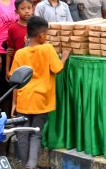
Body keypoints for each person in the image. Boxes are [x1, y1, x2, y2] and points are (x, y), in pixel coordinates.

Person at [11, 16, 70, 169]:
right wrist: (63, 57)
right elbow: (57, 69)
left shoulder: (19, 53)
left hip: (24, 99)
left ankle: (25, 165)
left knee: (22, 134)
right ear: (42, 35)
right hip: (41, 99)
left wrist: (14, 103)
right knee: (36, 133)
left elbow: (15, 81)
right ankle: (32, 165)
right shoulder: (48, 48)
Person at [6, 0, 33, 78]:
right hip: (18, 65)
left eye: (29, 8)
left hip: (33, 63)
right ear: (16, 11)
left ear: (33, 9)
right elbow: (10, 51)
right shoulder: (12, 28)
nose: (27, 11)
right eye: (23, 8)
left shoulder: (36, 26)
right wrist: (7, 71)